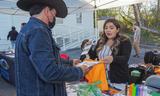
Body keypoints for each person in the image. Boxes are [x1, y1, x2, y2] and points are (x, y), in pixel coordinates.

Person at [15, 0, 92, 96]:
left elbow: (44, 60)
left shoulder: (28, 28)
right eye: (54, 15)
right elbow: (49, 71)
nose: (54, 19)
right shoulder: (38, 31)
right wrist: (79, 71)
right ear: (47, 11)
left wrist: (70, 62)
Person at [88, 18, 132, 84]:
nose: (108, 30)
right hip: (101, 77)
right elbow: (93, 56)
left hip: (118, 79)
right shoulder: (101, 41)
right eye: (106, 28)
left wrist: (113, 58)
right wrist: (89, 48)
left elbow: (125, 59)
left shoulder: (124, 40)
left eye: (111, 28)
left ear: (117, 29)